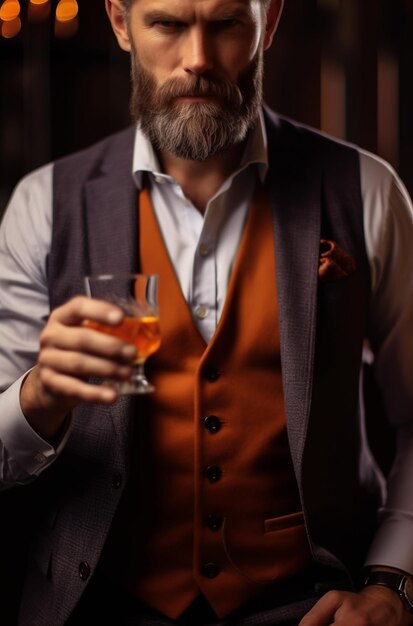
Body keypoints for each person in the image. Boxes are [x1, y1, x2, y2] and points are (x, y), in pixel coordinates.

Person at [1, 0, 413, 624]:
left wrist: (392, 580)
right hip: (98, 607)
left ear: (268, 22)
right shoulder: (42, 206)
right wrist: (38, 397)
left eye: (226, 25)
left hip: (312, 605)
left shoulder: (367, 190)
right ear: (120, 23)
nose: (196, 59)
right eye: (167, 24)